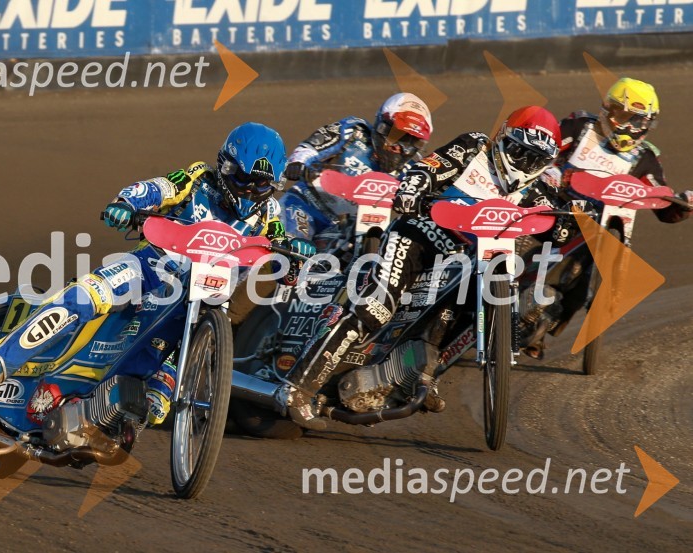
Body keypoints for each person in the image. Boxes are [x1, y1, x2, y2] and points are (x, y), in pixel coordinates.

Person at [0, 122, 311, 425]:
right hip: (152, 267)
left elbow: (283, 245)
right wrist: (126, 204)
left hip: (201, 302)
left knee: (157, 405)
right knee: (86, 294)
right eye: (244, 180)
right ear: (225, 166)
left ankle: (113, 414)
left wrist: (295, 258)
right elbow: (156, 188)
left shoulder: (270, 211)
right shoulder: (196, 179)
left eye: (262, 185)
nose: (251, 191)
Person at [278, 106, 572, 430]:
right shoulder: (475, 147)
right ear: (504, 139)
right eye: (521, 152)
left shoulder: (534, 189)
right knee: (375, 308)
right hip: (419, 239)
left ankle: (418, 372)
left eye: (536, 159)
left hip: (468, 259)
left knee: (470, 307)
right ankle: (297, 387)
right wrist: (415, 185)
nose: (526, 164)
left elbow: (557, 220)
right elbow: (429, 166)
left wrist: (569, 221)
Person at [519, 78, 693, 358]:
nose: (626, 126)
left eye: (636, 120)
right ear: (607, 109)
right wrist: (548, 169)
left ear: (647, 124)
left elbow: (662, 202)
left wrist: (683, 205)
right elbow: (540, 148)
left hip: (593, 232)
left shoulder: (644, 157)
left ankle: (539, 322)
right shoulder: (579, 126)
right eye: (621, 114)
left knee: (579, 278)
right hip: (548, 209)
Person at [280, 93, 433, 242]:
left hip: (348, 226)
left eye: (411, 141)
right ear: (381, 126)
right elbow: (313, 146)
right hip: (306, 205)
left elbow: (430, 195)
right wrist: (297, 163)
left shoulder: (412, 171)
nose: (399, 147)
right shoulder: (354, 131)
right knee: (296, 245)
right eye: (396, 135)